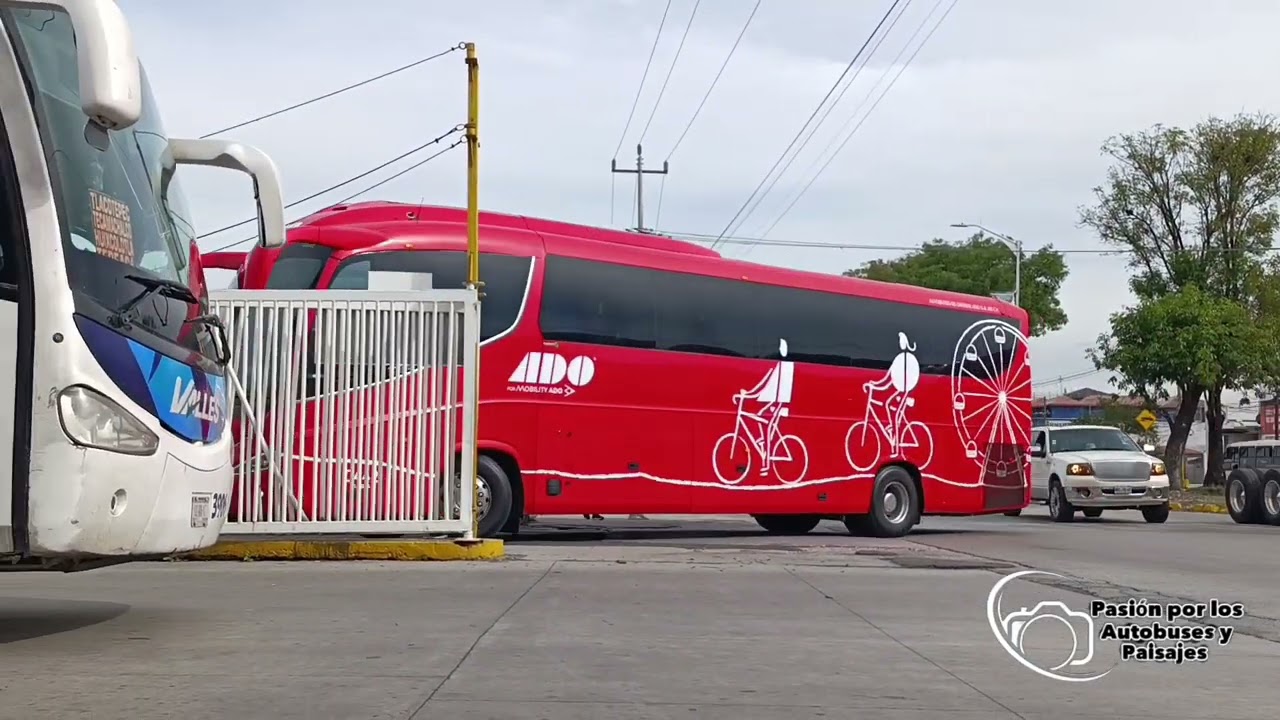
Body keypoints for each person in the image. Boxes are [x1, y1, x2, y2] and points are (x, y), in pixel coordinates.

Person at [735, 338, 795, 475]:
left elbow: (763, 385)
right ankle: (763, 442)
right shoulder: (778, 367)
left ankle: (766, 463)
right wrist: (749, 395)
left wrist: (748, 395)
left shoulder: (782, 368)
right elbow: (763, 384)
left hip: (778, 403)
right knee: (759, 416)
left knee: (767, 428)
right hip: (773, 401)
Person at [862, 332, 921, 453]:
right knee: (888, 404)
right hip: (901, 390)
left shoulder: (907, 359)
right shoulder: (899, 359)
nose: (900, 343)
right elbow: (888, 379)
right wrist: (874, 385)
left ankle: (896, 447)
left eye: (901, 341)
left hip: (906, 392)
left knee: (894, 411)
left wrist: (876, 386)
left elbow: (892, 380)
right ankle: (893, 431)